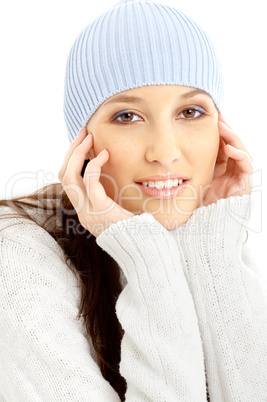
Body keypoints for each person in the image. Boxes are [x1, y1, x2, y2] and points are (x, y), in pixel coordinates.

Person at [0, 0, 266, 400]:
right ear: (84, 142)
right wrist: (144, 255)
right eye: (127, 116)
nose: (164, 151)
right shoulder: (16, 254)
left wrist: (215, 245)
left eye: (191, 112)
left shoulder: (208, 238)